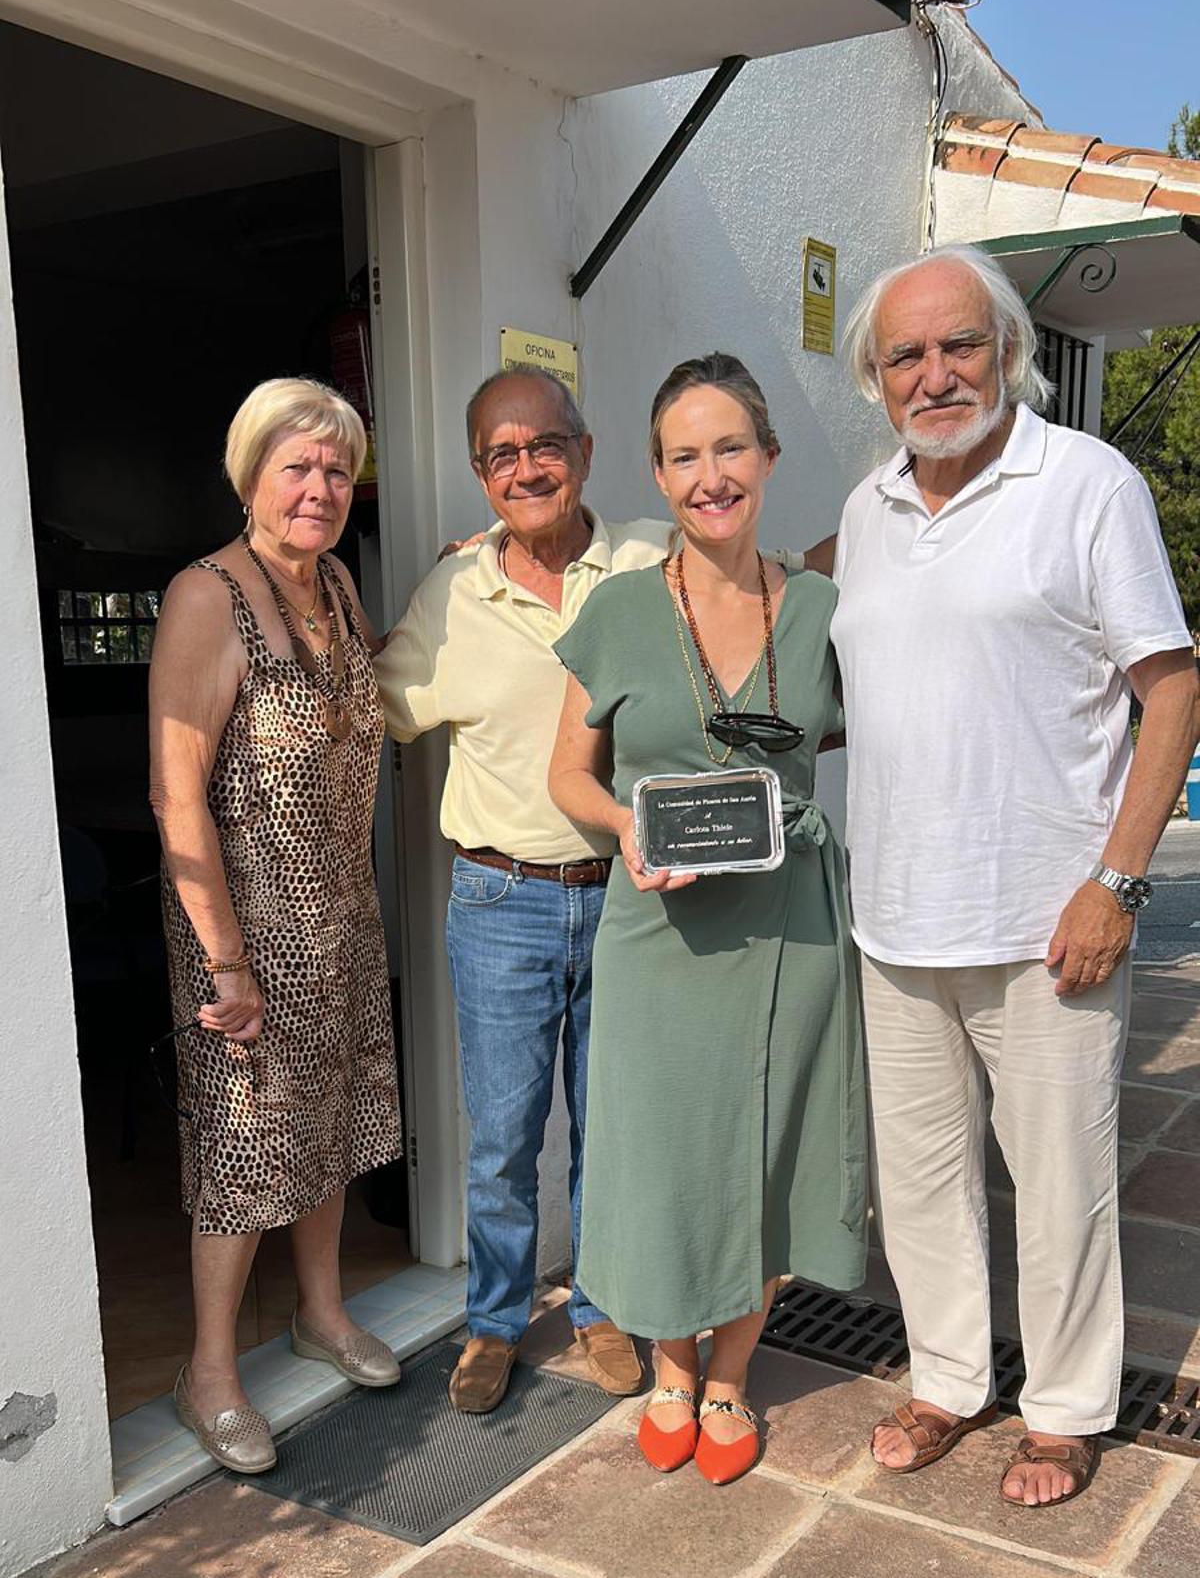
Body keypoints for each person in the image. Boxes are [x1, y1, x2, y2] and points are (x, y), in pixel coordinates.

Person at [832, 246, 1199, 1507]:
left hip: (1052, 920)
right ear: (875, 380)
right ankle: (945, 1377)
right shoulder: (868, 509)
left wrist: (1120, 882)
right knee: (921, 1177)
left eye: (959, 346)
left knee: (1061, 1180)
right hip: (894, 917)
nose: (935, 375)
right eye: (906, 356)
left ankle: (1067, 1409)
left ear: (1007, 352)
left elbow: (1174, 690)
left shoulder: (1087, 484)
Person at [548, 353, 867, 1485]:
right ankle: (671, 1363)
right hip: (660, 933)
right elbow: (570, 779)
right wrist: (627, 830)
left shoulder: (826, 608)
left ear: (769, 461)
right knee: (665, 1152)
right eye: (684, 455)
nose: (710, 474)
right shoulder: (623, 608)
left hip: (791, 927)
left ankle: (731, 1371)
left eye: (730, 447)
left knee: (770, 1144)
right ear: (658, 474)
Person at [372, 365, 669, 1413]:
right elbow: (372, 700)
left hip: (632, 898)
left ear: (585, 453)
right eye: (503, 453)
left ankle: (597, 1306)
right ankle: (496, 1322)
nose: (528, 466)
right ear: (479, 476)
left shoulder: (650, 557)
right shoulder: (451, 595)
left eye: (547, 444)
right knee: (501, 1137)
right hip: (502, 903)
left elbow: (755, 608)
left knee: (610, 1122)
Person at [150, 378, 403, 1474]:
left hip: (341, 911)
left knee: (333, 1116)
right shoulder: (208, 595)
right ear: (250, 475)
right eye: (297, 467)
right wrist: (225, 959)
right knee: (246, 1144)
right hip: (243, 931)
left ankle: (320, 1312)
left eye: (338, 469)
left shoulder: (336, 584)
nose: (320, 488)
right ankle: (207, 1370)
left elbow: (354, 699)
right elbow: (176, 792)